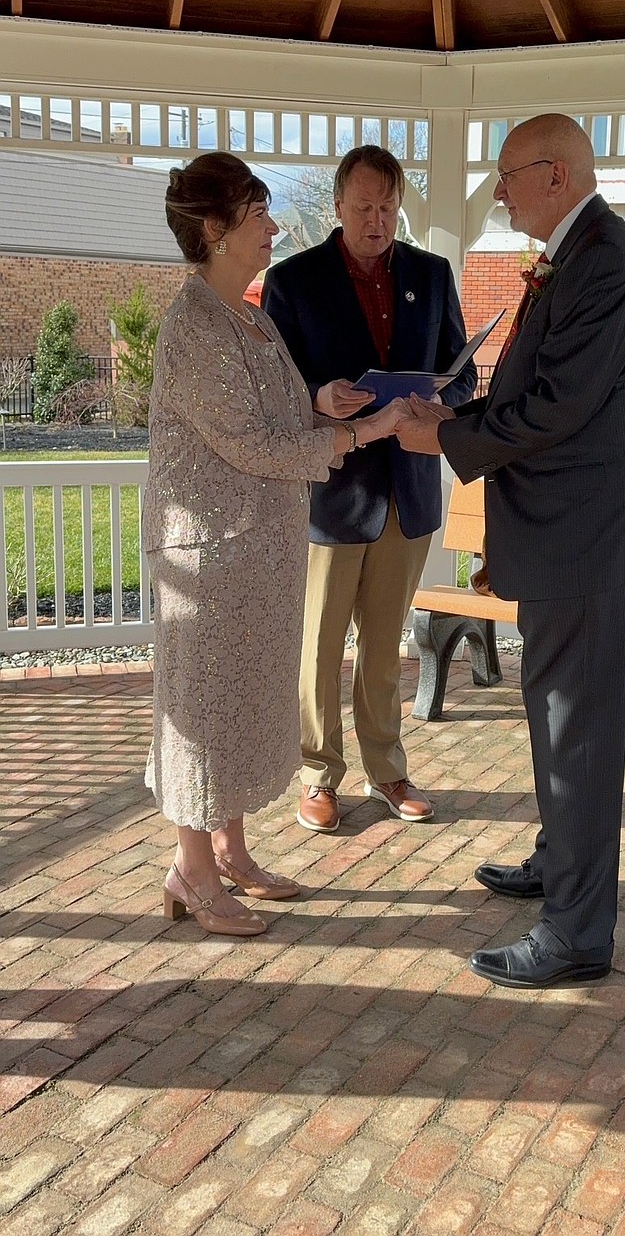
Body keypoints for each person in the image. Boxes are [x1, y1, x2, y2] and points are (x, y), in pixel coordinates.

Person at [396, 114, 625, 988]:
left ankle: (577, 934)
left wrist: (445, 438)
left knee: (577, 732)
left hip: (585, 538)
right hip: (568, 533)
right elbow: (541, 390)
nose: (499, 193)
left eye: (507, 176)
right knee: (556, 715)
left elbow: (558, 407)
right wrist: (455, 416)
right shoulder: (577, 252)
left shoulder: (605, 260)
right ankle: (561, 862)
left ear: (556, 175)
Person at [143, 151, 405, 936]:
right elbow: (251, 446)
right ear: (215, 230)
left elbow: (280, 421)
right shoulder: (195, 325)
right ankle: (191, 871)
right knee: (203, 711)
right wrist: (364, 432)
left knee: (240, 709)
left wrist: (325, 406)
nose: (273, 227)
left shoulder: (249, 316)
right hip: (207, 561)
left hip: (255, 554)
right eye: (258, 214)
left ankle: (230, 852)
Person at [264, 145, 476, 834]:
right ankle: (317, 776)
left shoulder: (432, 275)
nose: (377, 221)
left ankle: (387, 770)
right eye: (363, 208)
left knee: (385, 648)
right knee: (319, 647)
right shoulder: (292, 280)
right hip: (329, 493)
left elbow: (463, 375)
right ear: (337, 205)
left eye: (388, 207)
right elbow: (272, 388)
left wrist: (440, 399)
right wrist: (317, 397)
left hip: (407, 493)